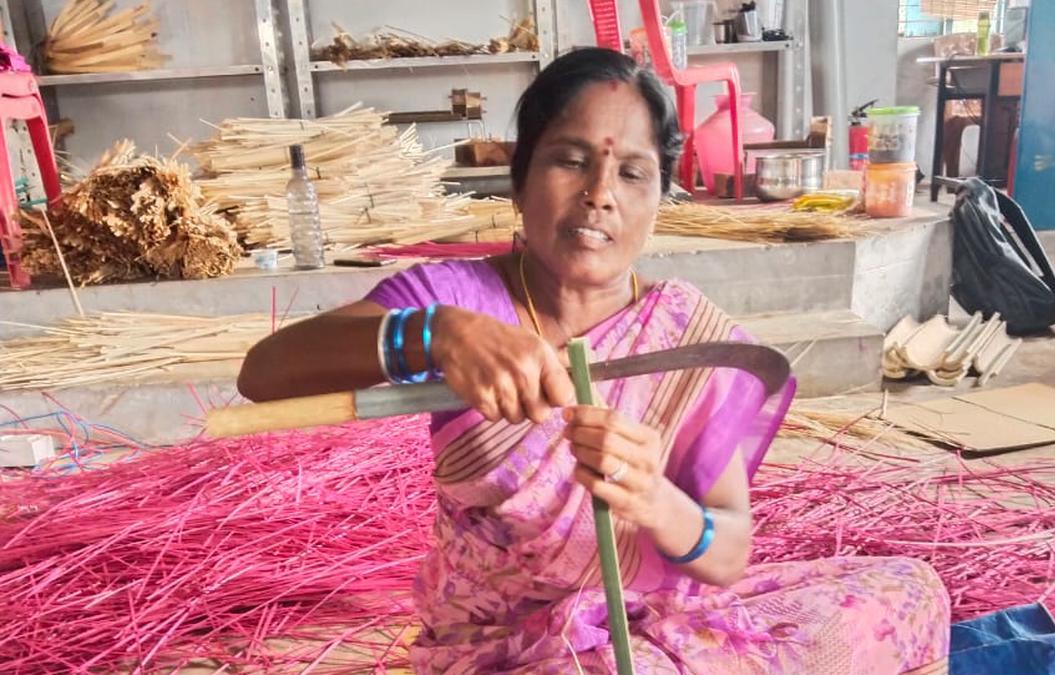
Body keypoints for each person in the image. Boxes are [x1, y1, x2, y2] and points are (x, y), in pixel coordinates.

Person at [238, 47, 950, 674]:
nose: (600, 194)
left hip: (656, 627)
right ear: (519, 180)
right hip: (503, 650)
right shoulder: (454, 299)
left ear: (658, 201)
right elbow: (264, 374)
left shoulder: (683, 334)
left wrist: (657, 501)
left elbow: (728, 553)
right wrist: (432, 335)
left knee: (909, 590)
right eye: (571, 160)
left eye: (632, 173)